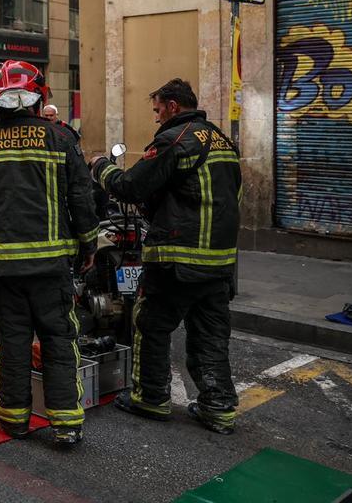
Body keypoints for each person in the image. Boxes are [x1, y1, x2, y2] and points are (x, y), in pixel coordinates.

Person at [0, 60, 99, 447]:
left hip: (1, 269)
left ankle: (14, 420)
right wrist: (89, 244)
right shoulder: (60, 139)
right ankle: (66, 423)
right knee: (58, 339)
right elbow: (81, 197)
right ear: (38, 98)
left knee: (12, 342)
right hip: (51, 266)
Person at [90, 78, 241, 436]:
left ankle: (151, 397)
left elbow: (130, 186)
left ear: (173, 105)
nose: (156, 118)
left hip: (178, 255)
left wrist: (99, 166)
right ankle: (218, 408)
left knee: (151, 323)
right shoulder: (221, 139)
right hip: (218, 260)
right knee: (210, 333)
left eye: (157, 110)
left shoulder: (176, 139)